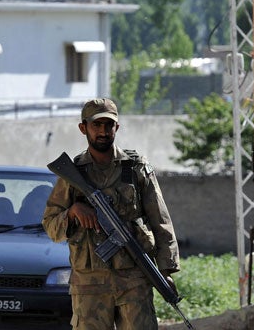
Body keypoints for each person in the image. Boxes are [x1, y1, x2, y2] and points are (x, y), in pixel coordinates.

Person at [42, 98, 180, 330]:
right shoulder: (72, 174)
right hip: (89, 285)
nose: (103, 131)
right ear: (83, 128)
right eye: (97, 125)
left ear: (117, 127)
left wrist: (165, 271)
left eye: (109, 125)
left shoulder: (136, 168)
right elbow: (50, 226)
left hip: (134, 280)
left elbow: (161, 221)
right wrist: (73, 212)